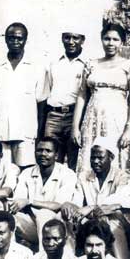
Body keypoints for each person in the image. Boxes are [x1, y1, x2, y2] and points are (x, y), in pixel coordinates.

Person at [72, 23, 130, 178]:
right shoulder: (91, 64)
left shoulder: (129, 65)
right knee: (92, 157)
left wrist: (129, 129)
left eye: (115, 39)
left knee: (114, 157)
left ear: (122, 42)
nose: (110, 43)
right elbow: (82, 96)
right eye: (107, 39)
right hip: (93, 119)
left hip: (117, 120)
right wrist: (75, 127)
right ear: (101, 40)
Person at [0, 22, 48, 168]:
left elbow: (42, 104)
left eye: (19, 38)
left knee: (26, 171)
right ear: (5, 39)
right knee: (2, 171)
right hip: (0, 131)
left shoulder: (37, 67)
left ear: (25, 40)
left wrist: (39, 133)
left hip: (26, 132)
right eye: (11, 38)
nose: (15, 42)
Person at [63, 137, 130, 259]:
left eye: (100, 158)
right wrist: (71, 207)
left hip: (114, 221)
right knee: (69, 218)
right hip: (90, 220)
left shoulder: (121, 176)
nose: (96, 161)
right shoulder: (84, 176)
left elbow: (119, 200)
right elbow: (77, 203)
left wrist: (91, 207)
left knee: (111, 222)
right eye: (93, 158)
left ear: (111, 158)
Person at [8, 137, 79, 252]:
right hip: (33, 224)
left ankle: (44, 257)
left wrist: (29, 201)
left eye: (48, 151)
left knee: (44, 214)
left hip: (58, 226)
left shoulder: (67, 174)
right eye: (39, 150)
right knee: (9, 218)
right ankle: (10, 256)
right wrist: (23, 204)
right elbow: (19, 201)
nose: (43, 154)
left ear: (56, 155)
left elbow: (59, 205)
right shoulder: (26, 173)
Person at [44, 29, 87, 167]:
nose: (71, 42)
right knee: (51, 159)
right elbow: (48, 89)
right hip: (53, 116)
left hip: (74, 117)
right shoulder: (54, 63)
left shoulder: (87, 64)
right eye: (67, 37)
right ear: (62, 38)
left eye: (75, 38)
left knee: (74, 160)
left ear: (82, 40)